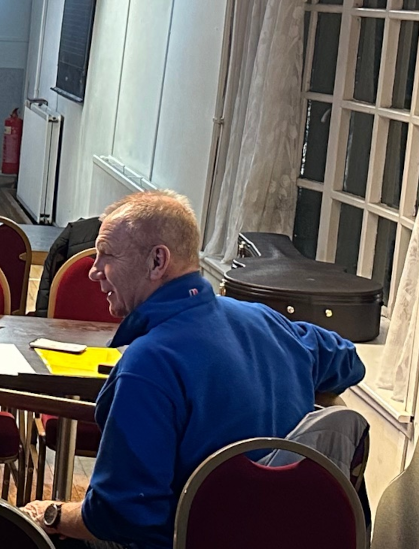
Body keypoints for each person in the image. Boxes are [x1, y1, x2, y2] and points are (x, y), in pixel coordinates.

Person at [19, 190, 366, 549]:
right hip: (280, 536)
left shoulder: (147, 365)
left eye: (107, 254)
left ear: (157, 261)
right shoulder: (265, 321)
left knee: (31, 533)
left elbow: (120, 515)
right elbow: (348, 362)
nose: (93, 271)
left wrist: (51, 513)